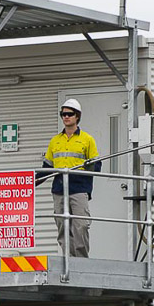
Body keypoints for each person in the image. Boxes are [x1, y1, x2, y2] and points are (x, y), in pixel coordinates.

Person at [38, 98, 101, 258]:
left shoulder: (87, 140)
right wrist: (29, 182)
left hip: (79, 189)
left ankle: (81, 261)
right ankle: (69, 259)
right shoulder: (55, 141)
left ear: (77, 116)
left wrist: (86, 167)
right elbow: (46, 168)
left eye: (70, 114)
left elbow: (97, 166)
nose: (66, 117)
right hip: (59, 190)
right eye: (63, 114)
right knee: (62, 227)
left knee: (81, 226)